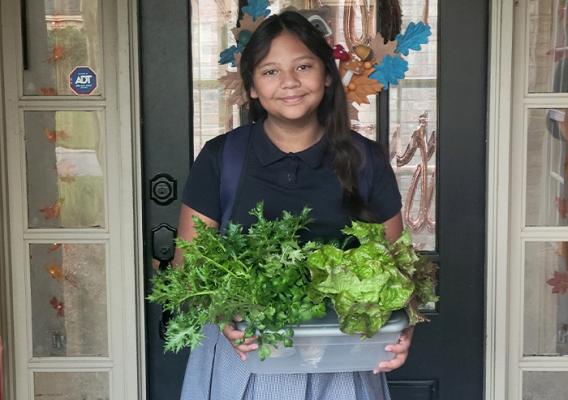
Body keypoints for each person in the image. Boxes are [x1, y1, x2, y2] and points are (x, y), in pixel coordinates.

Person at [177, 11, 413, 400]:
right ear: (252, 86)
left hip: (341, 359)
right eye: (270, 71)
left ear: (325, 75)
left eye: (303, 66)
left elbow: (397, 270)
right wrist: (222, 317)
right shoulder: (223, 158)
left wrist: (403, 331)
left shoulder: (365, 160)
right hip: (246, 354)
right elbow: (191, 264)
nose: (289, 82)